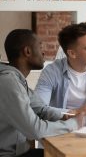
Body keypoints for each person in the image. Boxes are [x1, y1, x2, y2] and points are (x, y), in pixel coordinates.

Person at [0, 29, 81, 157]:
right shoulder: (8, 83)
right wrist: (75, 123)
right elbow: (35, 130)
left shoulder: (17, 80)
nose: (43, 52)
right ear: (27, 51)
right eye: (40, 46)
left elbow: (41, 109)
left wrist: (65, 116)